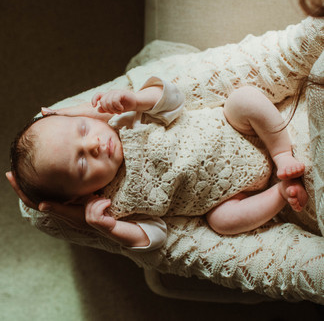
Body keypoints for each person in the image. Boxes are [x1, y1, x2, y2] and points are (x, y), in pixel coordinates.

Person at [8, 76, 308, 251]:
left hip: (237, 128)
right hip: (230, 197)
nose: (94, 145)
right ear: (80, 194)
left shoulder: (124, 120)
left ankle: (282, 153)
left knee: (244, 99)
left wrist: (137, 99)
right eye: (82, 162)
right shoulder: (113, 206)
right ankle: (281, 193)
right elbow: (155, 237)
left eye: (83, 130)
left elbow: (174, 100)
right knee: (222, 223)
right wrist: (107, 227)